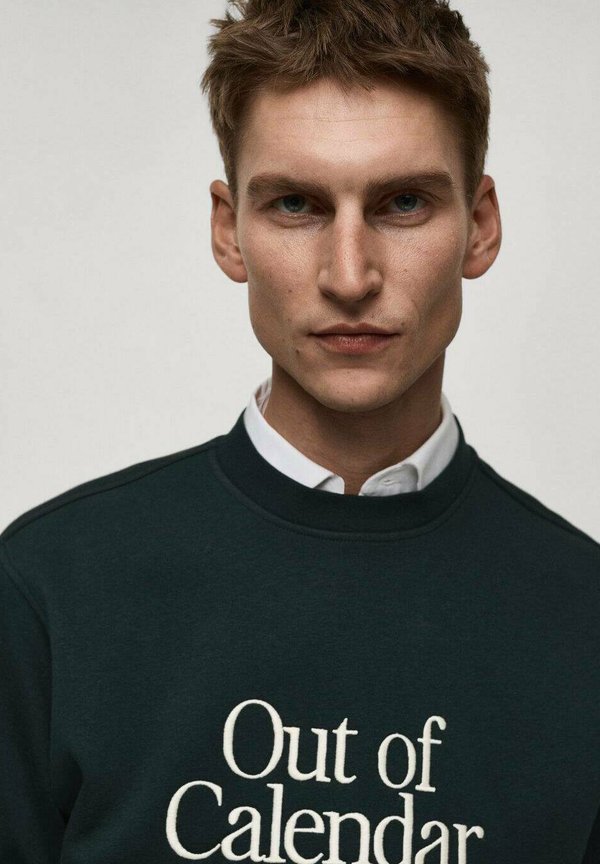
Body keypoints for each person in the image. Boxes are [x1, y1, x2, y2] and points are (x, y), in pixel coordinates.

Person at [1, 0, 598, 861]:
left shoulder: (584, 619)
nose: (349, 276)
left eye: (402, 202)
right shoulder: (49, 590)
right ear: (228, 230)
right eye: (296, 204)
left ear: (480, 225)